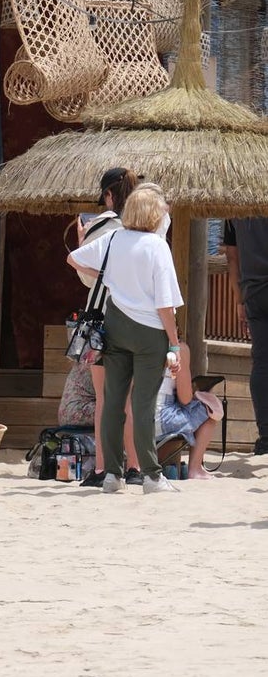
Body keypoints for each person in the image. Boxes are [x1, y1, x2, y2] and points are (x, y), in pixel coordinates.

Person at [68, 184, 182, 494]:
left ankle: (111, 474)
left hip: (115, 324)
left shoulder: (114, 238)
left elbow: (73, 258)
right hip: (149, 332)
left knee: (113, 402)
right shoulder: (157, 246)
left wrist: (105, 278)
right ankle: (152, 476)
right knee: (142, 404)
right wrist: (174, 342)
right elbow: (165, 303)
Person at [73, 167, 143, 487]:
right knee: (130, 398)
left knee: (104, 398)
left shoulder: (102, 226)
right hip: (137, 319)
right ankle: (135, 468)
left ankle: (103, 468)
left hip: (102, 320)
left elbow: (88, 277)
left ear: (108, 195)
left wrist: (81, 241)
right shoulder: (146, 228)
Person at [223, 217, 268, 455]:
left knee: (261, 363)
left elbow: (232, 256)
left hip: (254, 291)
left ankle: (266, 436)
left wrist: (239, 299)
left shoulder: (235, 209)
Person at [155, 341, 221, 480]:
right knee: (210, 410)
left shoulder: (138, 343)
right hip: (161, 419)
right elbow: (185, 398)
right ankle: (195, 468)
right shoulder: (179, 349)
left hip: (135, 418)